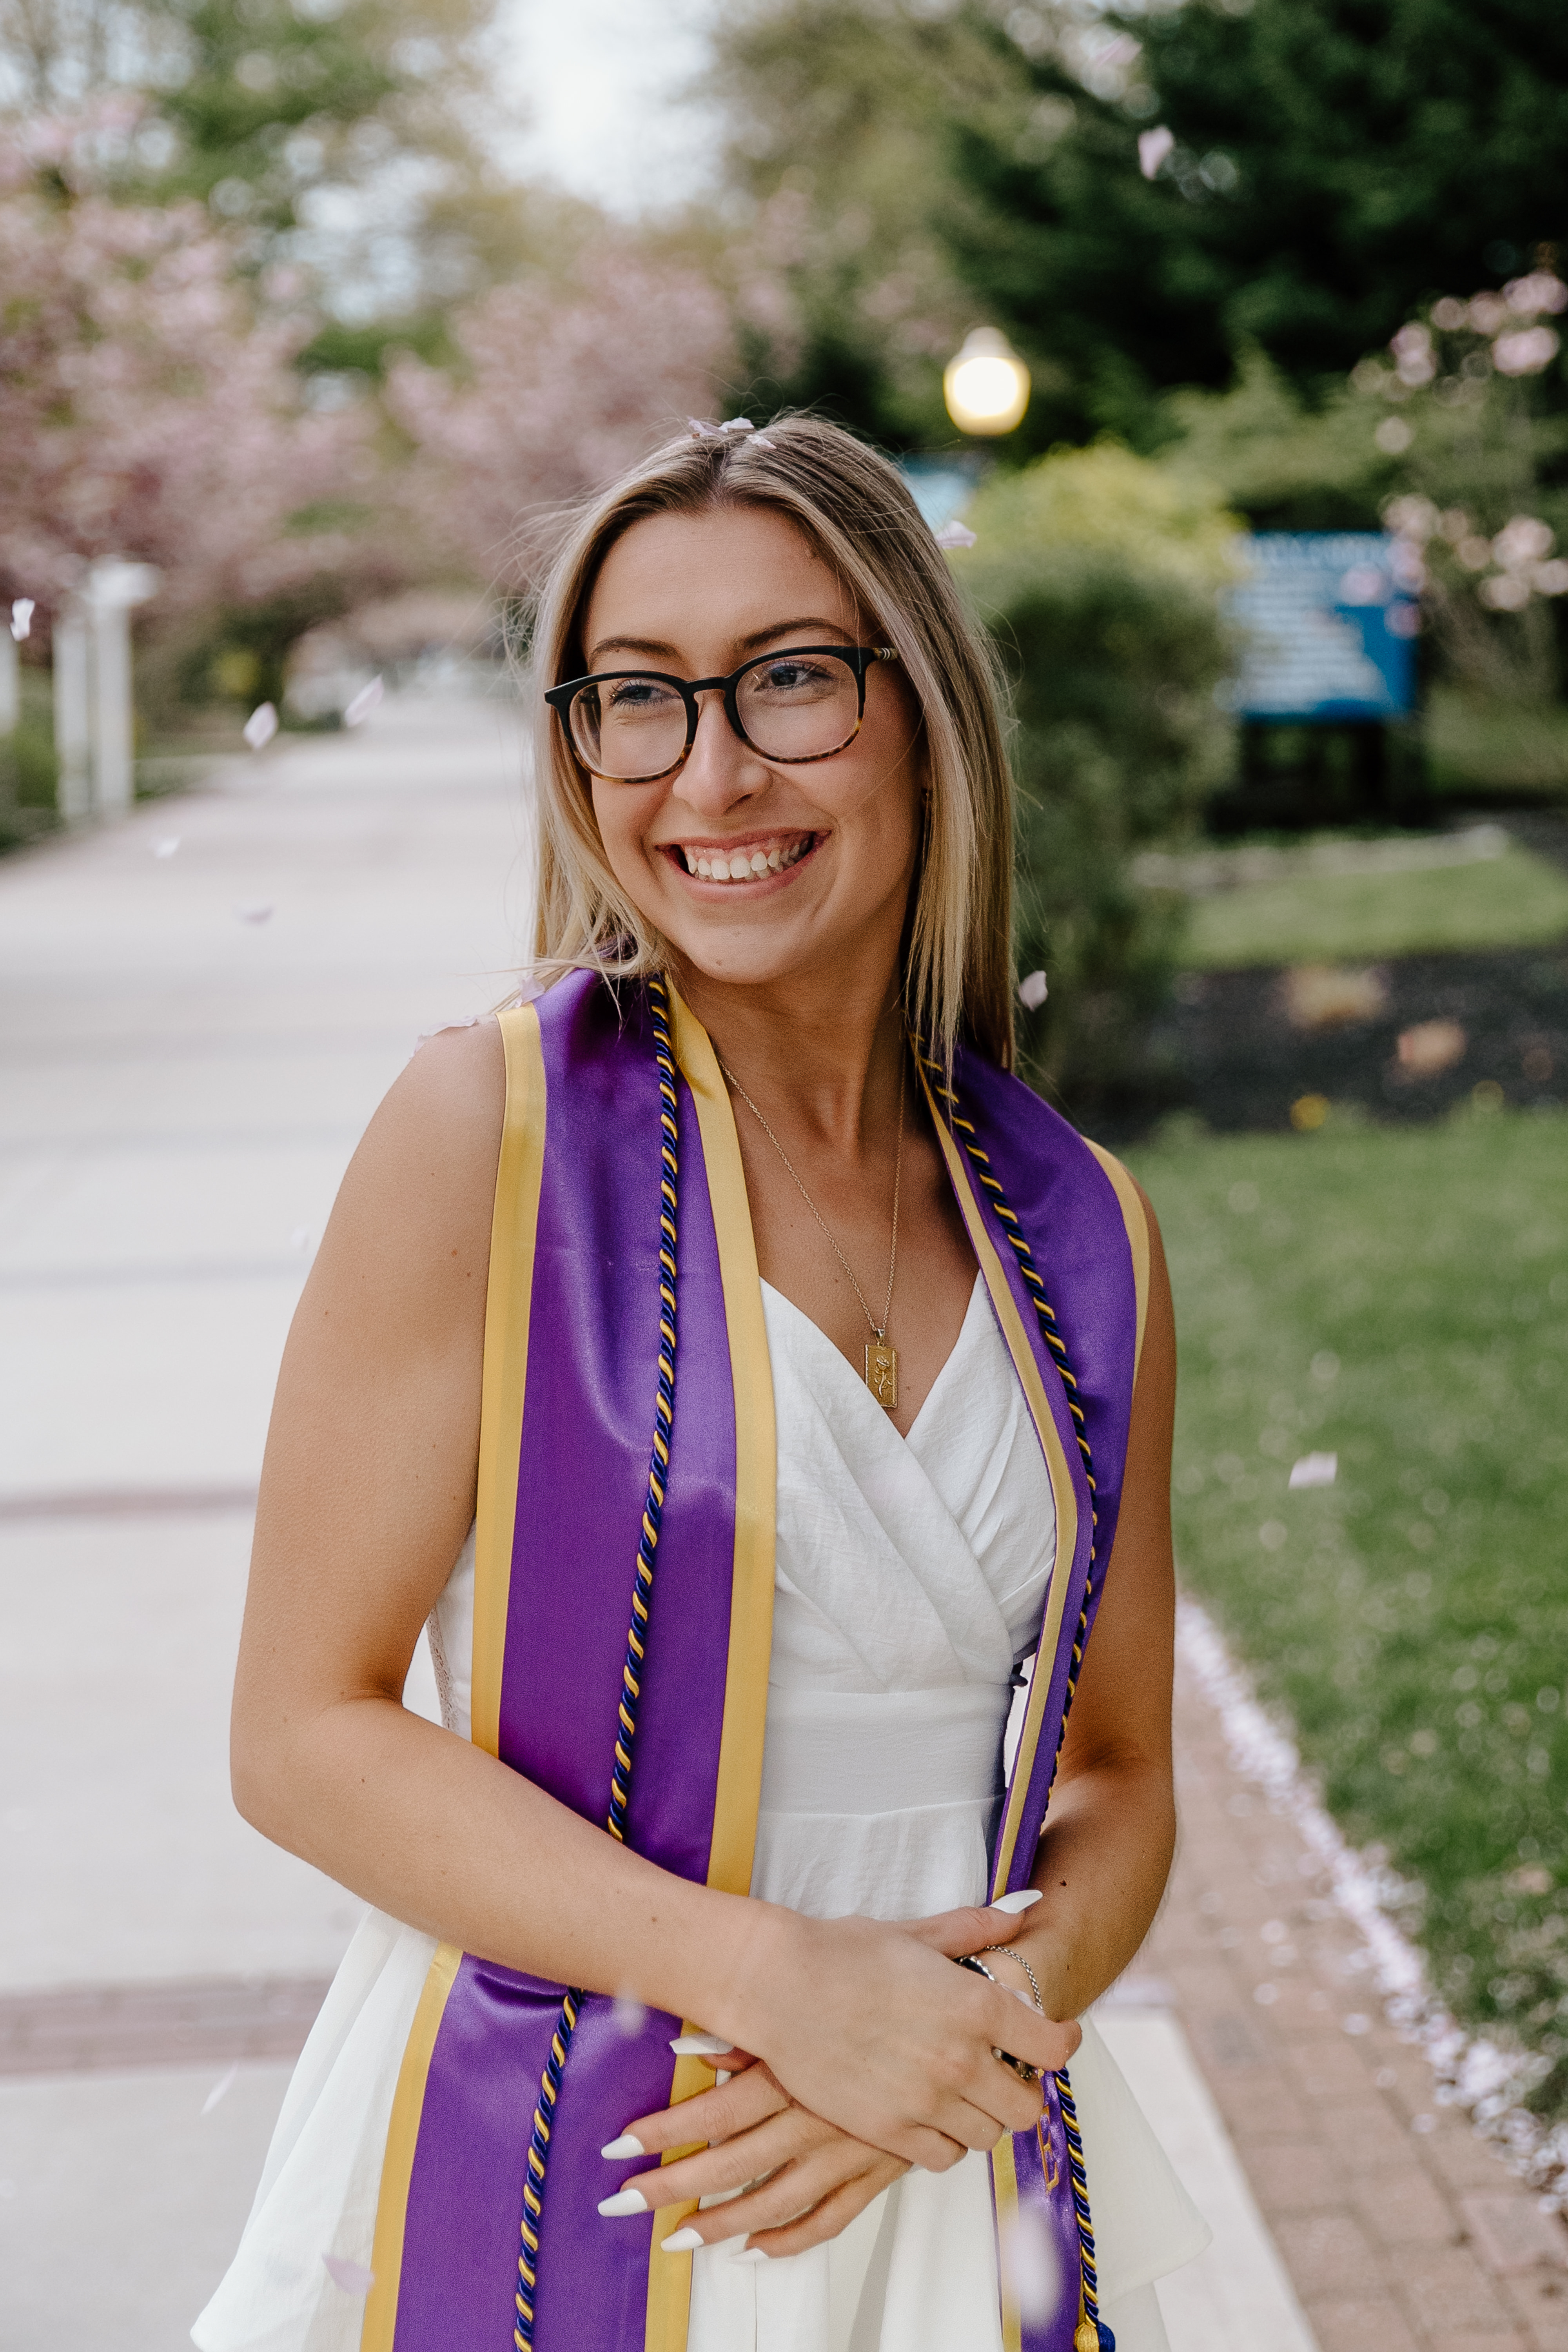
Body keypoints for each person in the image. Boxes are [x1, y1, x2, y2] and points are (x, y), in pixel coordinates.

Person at [194, 414, 1207, 2352]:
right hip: (580, 2143)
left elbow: (1118, 1773)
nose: (709, 774)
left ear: (923, 708)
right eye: (635, 700)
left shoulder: (1078, 1227)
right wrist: (776, 1983)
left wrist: (965, 2033)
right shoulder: (484, 1135)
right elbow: (302, 1728)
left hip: (928, 2147)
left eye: (790, 683)